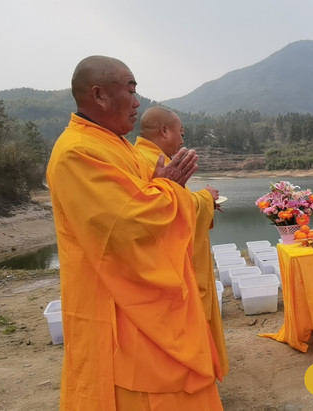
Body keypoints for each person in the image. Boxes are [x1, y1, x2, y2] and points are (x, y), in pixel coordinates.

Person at [46, 56, 223, 410]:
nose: (137, 102)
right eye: (130, 90)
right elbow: (126, 226)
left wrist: (165, 189)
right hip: (118, 308)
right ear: (99, 95)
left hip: (147, 305)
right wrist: (170, 189)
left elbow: (146, 200)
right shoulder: (77, 152)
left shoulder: (117, 145)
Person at [135, 106, 230, 378]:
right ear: (164, 131)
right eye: (180, 132)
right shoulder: (147, 160)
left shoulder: (149, 157)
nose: (182, 139)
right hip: (168, 266)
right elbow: (164, 210)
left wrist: (202, 202)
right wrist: (205, 197)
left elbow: (175, 203)